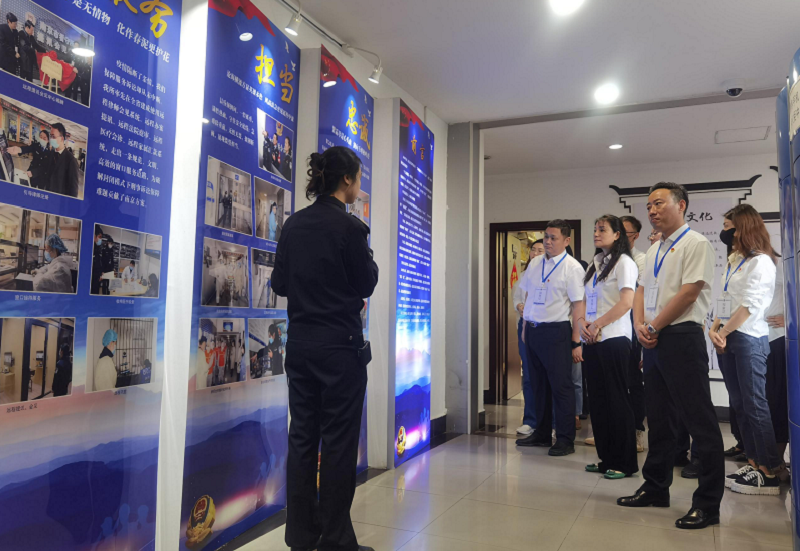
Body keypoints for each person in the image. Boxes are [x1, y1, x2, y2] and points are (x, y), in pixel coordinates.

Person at [273, 145, 378, 551]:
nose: (358, 186)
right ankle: (335, 540)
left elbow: (280, 284)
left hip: (300, 347)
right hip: (340, 350)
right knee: (338, 443)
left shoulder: (293, 225)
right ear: (347, 179)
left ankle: (301, 536)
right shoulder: (350, 228)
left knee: (302, 438)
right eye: (358, 178)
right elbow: (366, 282)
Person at [617, 182, 723, 530]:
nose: (651, 210)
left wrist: (653, 326)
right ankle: (655, 487)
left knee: (699, 420)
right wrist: (639, 326)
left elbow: (690, 293)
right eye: (649, 205)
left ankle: (707, 503)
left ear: (681, 205)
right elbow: (641, 291)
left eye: (659, 203)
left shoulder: (696, 243)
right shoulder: (655, 249)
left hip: (681, 337)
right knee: (659, 418)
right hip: (653, 338)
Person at [708, 204, 781, 495]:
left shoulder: (761, 262)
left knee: (754, 404)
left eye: (729, 227)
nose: (725, 232)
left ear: (744, 228)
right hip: (728, 337)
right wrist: (714, 327)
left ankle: (770, 470)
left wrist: (723, 332)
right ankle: (753, 462)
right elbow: (727, 299)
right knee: (739, 404)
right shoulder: (736, 259)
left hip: (749, 338)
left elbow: (750, 305)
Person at [515, 220, 585, 456]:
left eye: (553, 238)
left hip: (556, 331)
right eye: (546, 236)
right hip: (533, 330)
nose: (547, 241)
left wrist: (576, 341)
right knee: (538, 384)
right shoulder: (536, 263)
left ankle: (565, 439)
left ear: (566, 240)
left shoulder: (572, 267)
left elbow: (578, 305)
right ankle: (542, 433)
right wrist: (525, 326)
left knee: (561, 386)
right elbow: (527, 294)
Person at [579, 215, 639, 479]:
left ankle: (625, 463)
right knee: (598, 401)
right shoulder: (595, 265)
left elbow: (626, 302)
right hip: (593, 339)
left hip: (614, 338)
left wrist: (597, 324)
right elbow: (584, 300)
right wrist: (583, 324)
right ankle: (606, 458)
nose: (596, 233)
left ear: (617, 235)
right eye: (595, 229)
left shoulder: (624, 262)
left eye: (602, 229)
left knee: (617, 400)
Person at [620, 215, 647, 453]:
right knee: (612, 381)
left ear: (635, 236)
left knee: (632, 381)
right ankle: (614, 430)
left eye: (624, 232)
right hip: (609, 328)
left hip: (631, 325)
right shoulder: (605, 260)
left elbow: (641, 298)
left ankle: (637, 431)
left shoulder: (641, 260)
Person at [514, 239, 545, 437]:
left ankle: (551, 422)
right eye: (533, 250)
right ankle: (530, 420)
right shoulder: (523, 275)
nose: (535, 253)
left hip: (547, 327)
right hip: (525, 326)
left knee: (548, 375)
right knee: (528, 374)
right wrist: (519, 305)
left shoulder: (552, 273)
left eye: (540, 250)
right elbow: (516, 297)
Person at [48, 123, 80, 197]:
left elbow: (73, 191)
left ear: (62, 138)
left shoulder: (71, 160)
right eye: (50, 136)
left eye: (53, 136)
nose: (51, 139)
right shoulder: (51, 153)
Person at [91, 227, 104, 295]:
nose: (100, 240)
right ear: (94, 236)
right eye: (100, 237)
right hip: (92, 281)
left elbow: (98, 263)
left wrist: (101, 273)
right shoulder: (90, 249)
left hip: (97, 279)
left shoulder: (97, 249)